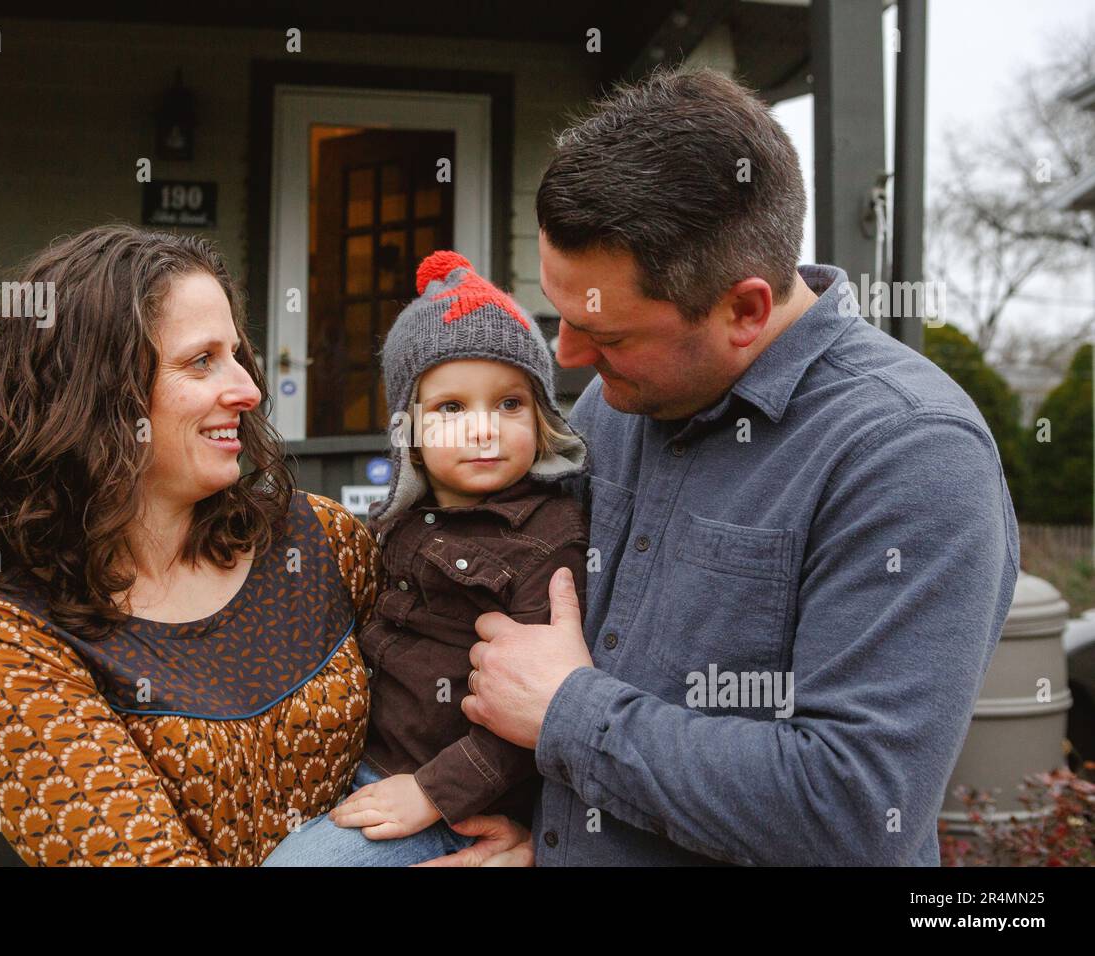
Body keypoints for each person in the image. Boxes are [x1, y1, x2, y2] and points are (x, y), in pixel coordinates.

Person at [428, 66, 1020, 867]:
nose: (566, 359)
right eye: (560, 315)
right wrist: (543, 833)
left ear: (744, 310)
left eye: (609, 333)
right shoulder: (618, 405)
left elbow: (852, 805)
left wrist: (571, 713)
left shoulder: (909, 455)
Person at [0, 223, 383, 866]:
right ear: (96, 393)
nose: (249, 391)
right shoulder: (8, 638)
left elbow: (446, 720)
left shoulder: (323, 543)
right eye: (201, 362)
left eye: (237, 356)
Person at [263, 251, 590, 866]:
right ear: (407, 429)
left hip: (452, 804)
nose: (483, 428)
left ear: (543, 414)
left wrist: (432, 794)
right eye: (451, 408)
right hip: (367, 772)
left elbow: (533, 714)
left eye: (510, 404)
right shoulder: (397, 525)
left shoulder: (548, 538)